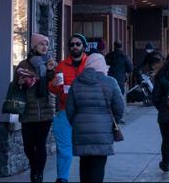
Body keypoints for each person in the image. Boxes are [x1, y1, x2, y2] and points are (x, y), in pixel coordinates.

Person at [66, 53, 124, 183]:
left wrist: (77, 123)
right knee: (98, 167)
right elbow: (120, 107)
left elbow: (70, 110)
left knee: (84, 165)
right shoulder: (111, 82)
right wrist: (112, 122)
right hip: (103, 131)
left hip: (81, 131)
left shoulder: (76, 82)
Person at [15, 33, 56, 183]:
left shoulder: (50, 63)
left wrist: (51, 72)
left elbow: (53, 85)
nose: (45, 47)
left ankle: (38, 175)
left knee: (41, 145)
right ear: (34, 46)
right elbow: (16, 85)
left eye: (46, 44)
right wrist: (20, 82)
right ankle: (34, 167)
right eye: (41, 44)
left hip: (45, 112)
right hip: (28, 112)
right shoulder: (23, 65)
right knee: (28, 146)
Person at [49, 33, 89, 183]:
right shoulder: (61, 66)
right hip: (65, 111)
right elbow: (56, 89)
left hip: (85, 113)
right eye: (72, 44)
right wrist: (53, 85)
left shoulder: (90, 64)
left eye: (78, 44)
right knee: (64, 149)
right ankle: (62, 179)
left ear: (84, 47)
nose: (75, 47)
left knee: (86, 149)